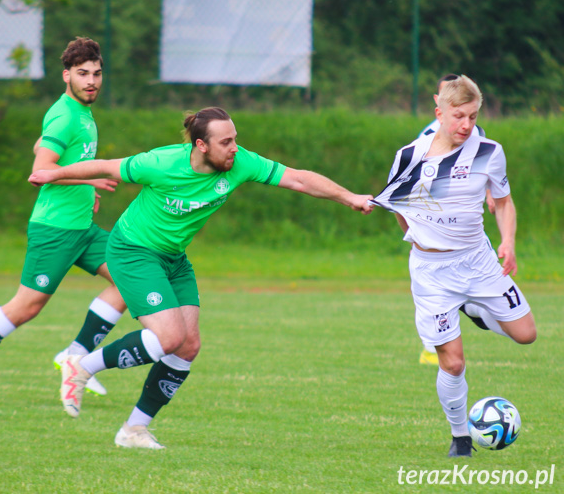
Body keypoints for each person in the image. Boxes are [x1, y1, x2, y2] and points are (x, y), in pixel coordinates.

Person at [29, 107, 374, 449]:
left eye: (235, 139)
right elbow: (105, 166)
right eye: (226, 142)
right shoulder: (162, 163)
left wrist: (349, 198)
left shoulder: (240, 164)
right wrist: (51, 174)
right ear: (201, 145)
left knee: (188, 346)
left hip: (174, 259)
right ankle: (81, 365)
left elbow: (298, 178)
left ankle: (133, 430)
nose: (235, 148)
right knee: (168, 337)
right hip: (133, 251)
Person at [0, 37, 126, 408]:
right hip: (54, 230)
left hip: (81, 228)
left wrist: (86, 192)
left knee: (127, 278)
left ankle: (75, 355)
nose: (92, 81)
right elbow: (40, 172)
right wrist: (90, 180)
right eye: (83, 74)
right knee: (27, 307)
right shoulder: (65, 114)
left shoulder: (80, 114)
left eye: (97, 74)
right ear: (66, 76)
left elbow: (45, 148)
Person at [372, 75, 536, 457]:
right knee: (453, 361)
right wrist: (421, 239)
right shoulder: (410, 156)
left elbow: (505, 200)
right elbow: (400, 206)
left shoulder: (489, 151)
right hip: (432, 274)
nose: (466, 125)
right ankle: (461, 438)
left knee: (526, 334)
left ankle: (473, 308)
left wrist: (507, 241)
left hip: (478, 262)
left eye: (473, 116)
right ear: (440, 113)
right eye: (459, 116)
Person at [417, 74, 495, 367]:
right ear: (438, 103)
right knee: (434, 291)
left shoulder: (474, 132)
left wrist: (490, 193)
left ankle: (472, 307)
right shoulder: (427, 138)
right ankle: (430, 348)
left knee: (484, 311)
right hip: (438, 232)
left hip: (469, 229)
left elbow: (485, 164)